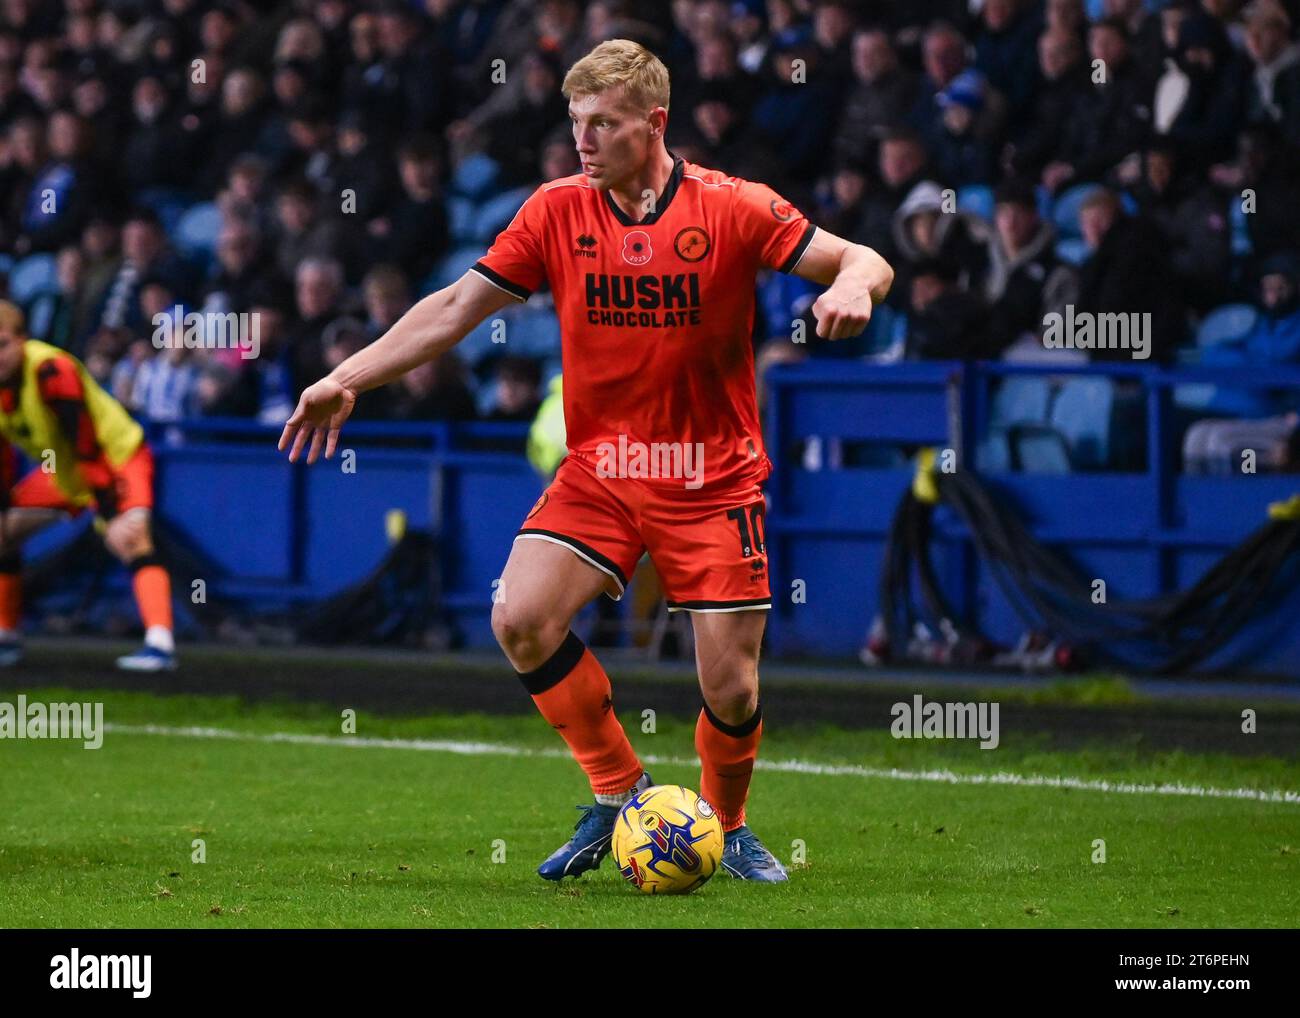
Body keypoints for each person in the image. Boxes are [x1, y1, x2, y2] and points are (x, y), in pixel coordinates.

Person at [278, 39, 893, 883]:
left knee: (734, 689)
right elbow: (458, 306)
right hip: (602, 470)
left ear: (655, 123)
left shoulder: (733, 206)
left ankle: (728, 822)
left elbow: (863, 255)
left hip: (710, 476)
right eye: (577, 123)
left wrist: (854, 286)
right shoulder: (556, 210)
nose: (585, 140)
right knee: (520, 616)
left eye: (604, 123)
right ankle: (620, 793)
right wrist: (345, 377)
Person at [0, 300, 176, 671]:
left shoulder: (51, 370)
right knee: (3, 532)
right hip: (64, 470)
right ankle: (6, 637)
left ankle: (160, 645)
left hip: (114, 456)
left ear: (22, 340)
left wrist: (108, 508)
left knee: (129, 537)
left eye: (2, 345)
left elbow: (85, 442)